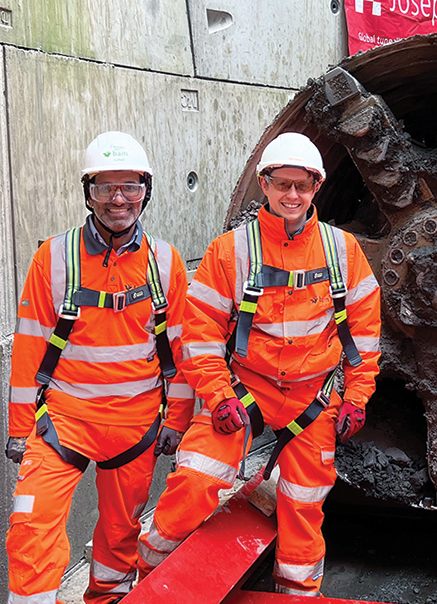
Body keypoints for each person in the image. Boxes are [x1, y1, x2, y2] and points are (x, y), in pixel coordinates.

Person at [137, 132, 381, 596]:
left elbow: (364, 338)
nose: (292, 196)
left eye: (302, 186)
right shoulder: (230, 251)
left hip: (314, 397)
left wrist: (357, 396)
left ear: (317, 187)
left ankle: (297, 593)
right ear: (264, 184)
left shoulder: (343, 252)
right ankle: (149, 580)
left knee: (304, 503)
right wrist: (219, 395)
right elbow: (200, 334)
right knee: (196, 479)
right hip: (243, 392)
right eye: (282, 184)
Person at [4, 131, 191, 604]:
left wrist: (177, 420)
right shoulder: (55, 258)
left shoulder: (165, 265)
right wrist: (19, 427)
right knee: (31, 526)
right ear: (88, 192)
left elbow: (182, 353)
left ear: (146, 190)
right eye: (105, 186)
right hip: (63, 422)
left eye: (129, 185)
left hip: (135, 426)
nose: (118, 198)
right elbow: (28, 346)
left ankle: (107, 599)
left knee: (119, 535)